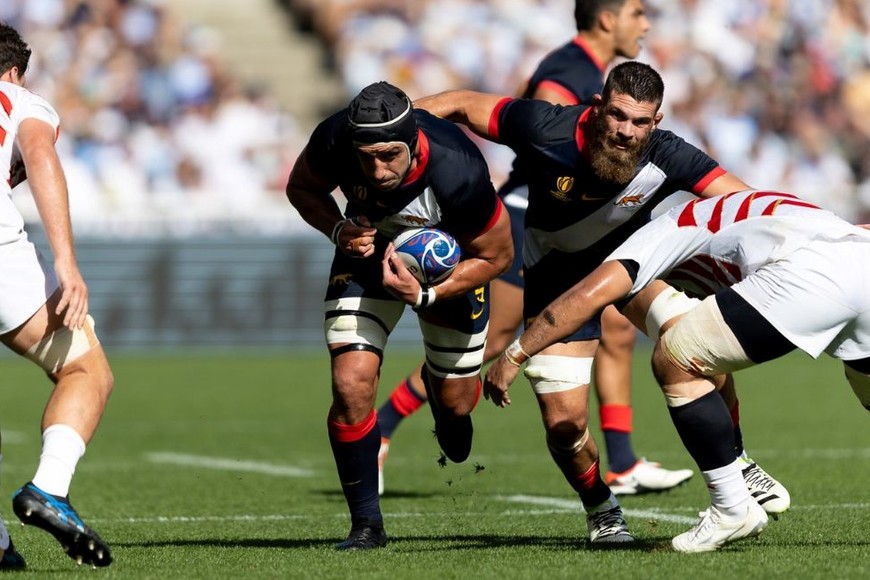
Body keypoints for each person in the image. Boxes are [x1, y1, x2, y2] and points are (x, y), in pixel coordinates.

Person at [413, 61, 789, 543]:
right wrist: (403, 126)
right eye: (617, 116)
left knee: (700, 344)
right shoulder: (546, 127)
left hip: (630, 268)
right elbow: (463, 104)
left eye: (639, 122)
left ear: (656, 123)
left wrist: (820, 232)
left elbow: (746, 202)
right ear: (597, 108)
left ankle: (737, 460)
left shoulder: (670, 154)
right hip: (556, 278)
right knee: (564, 425)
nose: (625, 132)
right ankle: (601, 509)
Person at [377, 0, 696, 499]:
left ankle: (623, 459)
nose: (646, 23)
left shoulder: (595, 71)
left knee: (612, 327)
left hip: (576, 221)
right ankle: (383, 426)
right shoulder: (568, 70)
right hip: (532, 215)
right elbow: (548, 139)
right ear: (607, 19)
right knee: (494, 339)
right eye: (637, 12)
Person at [483, 188, 870, 551]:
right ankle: (719, 471)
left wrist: (515, 354)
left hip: (812, 277)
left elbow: (588, 296)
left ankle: (732, 505)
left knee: (677, 357)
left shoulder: (657, 236)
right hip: (858, 257)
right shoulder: (728, 209)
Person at [285, 81, 513, 550]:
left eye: (389, 155)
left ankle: (446, 401)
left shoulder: (459, 168)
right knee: (351, 383)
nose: (376, 169)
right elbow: (301, 187)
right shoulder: (333, 138)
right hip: (365, 257)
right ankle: (366, 525)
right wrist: (337, 228)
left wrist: (427, 296)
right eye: (365, 156)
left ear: (412, 143)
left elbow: (498, 257)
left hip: (449, 276)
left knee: (457, 410)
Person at [0, 23, 114, 568]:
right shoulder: (19, 99)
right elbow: (40, 154)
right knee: (86, 370)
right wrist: (66, 261)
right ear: (15, 70)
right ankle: (48, 488)